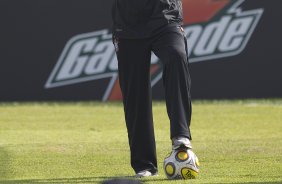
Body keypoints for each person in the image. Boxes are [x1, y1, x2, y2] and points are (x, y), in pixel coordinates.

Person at [112, 0, 195, 178]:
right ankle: (145, 165)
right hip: (128, 23)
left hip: (165, 16)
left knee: (176, 56)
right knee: (135, 92)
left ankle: (181, 135)